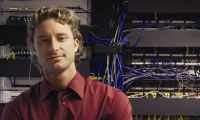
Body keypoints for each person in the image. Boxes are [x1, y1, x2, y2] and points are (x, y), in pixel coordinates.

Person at [1, 6, 132, 120]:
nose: (53, 47)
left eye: (61, 38)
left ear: (76, 44)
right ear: (34, 49)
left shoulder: (112, 102)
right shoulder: (17, 110)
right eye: (44, 40)